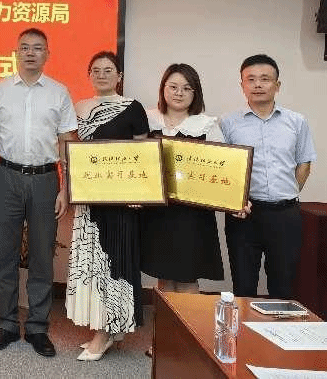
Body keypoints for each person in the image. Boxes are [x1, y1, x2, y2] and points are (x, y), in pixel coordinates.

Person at [0, 28, 77, 358]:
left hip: (45, 179)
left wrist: (66, 188)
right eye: (25, 48)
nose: (31, 53)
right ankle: (7, 324)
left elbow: (66, 143)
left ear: (47, 54)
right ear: (16, 52)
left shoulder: (59, 93)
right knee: (5, 255)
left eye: (38, 48)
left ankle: (38, 327)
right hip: (6, 176)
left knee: (41, 255)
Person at [65, 51, 148, 361]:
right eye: (96, 70)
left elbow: (143, 156)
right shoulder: (78, 108)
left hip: (120, 200)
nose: (102, 75)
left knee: (113, 262)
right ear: (89, 75)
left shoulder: (132, 108)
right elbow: (71, 152)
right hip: (88, 199)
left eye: (108, 70)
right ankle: (106, 329)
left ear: (119, 76)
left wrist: (139, 193)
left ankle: (106, 332)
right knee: (92, 265)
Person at [221, 54, 315, 299]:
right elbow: (224, 170)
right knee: (243, 287)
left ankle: (278, 325)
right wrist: (234, 200)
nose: (258, 85)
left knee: (283, 287)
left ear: (277, 85)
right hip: (245, 215)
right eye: (250, 79)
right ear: (242, 85)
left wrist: (287, 192)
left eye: (265, 79)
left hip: (285, 215)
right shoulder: (228, 123)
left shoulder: (296, 121)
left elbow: (304, 163)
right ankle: (244, 326)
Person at [140, 64, 225, 296]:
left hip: (193, 215)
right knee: (164, 277)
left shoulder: (207, 125)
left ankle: (186, 322)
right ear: (163, 89)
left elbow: (223, 169)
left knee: (188, 277)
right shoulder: (147, 119)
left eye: (187, 88)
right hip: (157, 213)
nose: (179, 93)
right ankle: (164, 322)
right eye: (173, 87)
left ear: (195, 93)